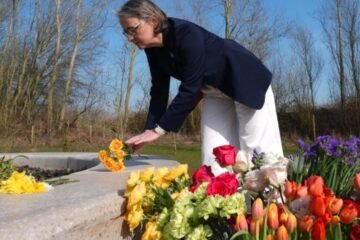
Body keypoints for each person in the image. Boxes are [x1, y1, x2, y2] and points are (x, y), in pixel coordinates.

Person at [118, 0, 283, 175]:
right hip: (214, 90)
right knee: (214, 155)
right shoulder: (153, 49)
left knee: (258, 152)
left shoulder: (186, 34)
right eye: (125, 32)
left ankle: (272, 199)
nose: (129, 38)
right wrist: (149, 130)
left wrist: (160, 129)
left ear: (152, 20)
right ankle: (221, 201)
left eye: (133, 29)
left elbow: (190, 87)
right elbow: (159, 91)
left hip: (246, 80)